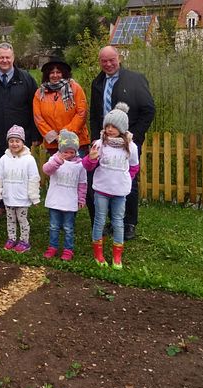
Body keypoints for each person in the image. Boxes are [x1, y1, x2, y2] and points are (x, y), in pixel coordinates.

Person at [88, 46, 155, 240]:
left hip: (127, 143)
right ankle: (112, 220)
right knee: (106, 180)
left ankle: (129, 223)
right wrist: (95, 138)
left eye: (112, 60)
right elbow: (95, 115)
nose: (108, 64)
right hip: (105, 141)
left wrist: (134, 136)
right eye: (104, 61)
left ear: (119, 58)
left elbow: (148, 110)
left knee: (128, 181)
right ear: (99, 62)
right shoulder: (97, 82)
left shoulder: (134, 79)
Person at [83, 103, 139, 270]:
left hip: (120, 192)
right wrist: (91, 158)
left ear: (122, 128)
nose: (109, 129)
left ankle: (117, 256)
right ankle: (98, 254)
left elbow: (134, 167)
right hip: (101, 190)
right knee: (99, 220)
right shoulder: (99, 144)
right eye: (107, 125)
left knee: (118, 222)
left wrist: (125, 179)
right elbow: (88, 166)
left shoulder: (131, 147)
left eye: (114, 126)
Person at [0, 43, 39, 154]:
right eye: (1, 57)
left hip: (19, 142)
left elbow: (35, 109)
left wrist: (34, 135)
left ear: (13, 58)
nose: (5, 60)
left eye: (7, 57)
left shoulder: (26, 80)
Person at [0, 125, 41, 253]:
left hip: (22, 198)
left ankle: (24, 241)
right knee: (10, 220)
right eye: (11, 141)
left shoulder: (29, 160)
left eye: (17, 141)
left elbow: (34, 179)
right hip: (9, 197)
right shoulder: (3, 159)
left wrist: (34, 197)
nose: (14, 144)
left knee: (22, 220)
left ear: (22, 142)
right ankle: (11, 239)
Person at [42, 130, 87, 261]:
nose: (68, 155)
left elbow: (82, 183)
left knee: (68, 227)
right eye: (65, 152)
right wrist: (58, 161)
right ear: (60, 150)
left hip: (70, 202)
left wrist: (81, 198)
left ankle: (68, 249)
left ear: (76, 151)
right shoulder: (54, 160)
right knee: (54, 226)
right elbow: (46, 170)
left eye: (71, 152)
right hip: (55, 201)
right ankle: (53, 246)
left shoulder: (80, 165)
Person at [33, 57, 89, 156]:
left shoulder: (75, 88)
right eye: (52, 72)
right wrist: (54, 136)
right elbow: (38, 118)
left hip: (76, 142)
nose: (55, 75)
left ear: (64, 73)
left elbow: (82, 113)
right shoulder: (40, 93)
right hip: (54, 144)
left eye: (58, 72)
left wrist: (65, 134)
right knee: (57, 170)